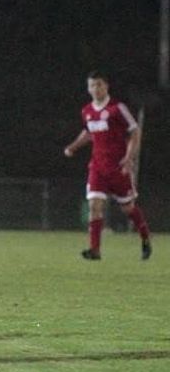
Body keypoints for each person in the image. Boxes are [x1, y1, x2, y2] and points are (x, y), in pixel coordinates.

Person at [63, 71, 151, 260]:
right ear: (88, 88)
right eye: (92, 85)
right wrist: (73, 147)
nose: (96, 89)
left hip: (119, 167)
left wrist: (129, 157)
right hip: (97, 167)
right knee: (94, 205)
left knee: (128, 208)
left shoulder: (117, 108)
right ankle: (95, 250)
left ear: (106, 86)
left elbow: (135, 132)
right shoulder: (87, 111)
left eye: (99, 85)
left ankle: (145, 237)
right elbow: (88, 133)